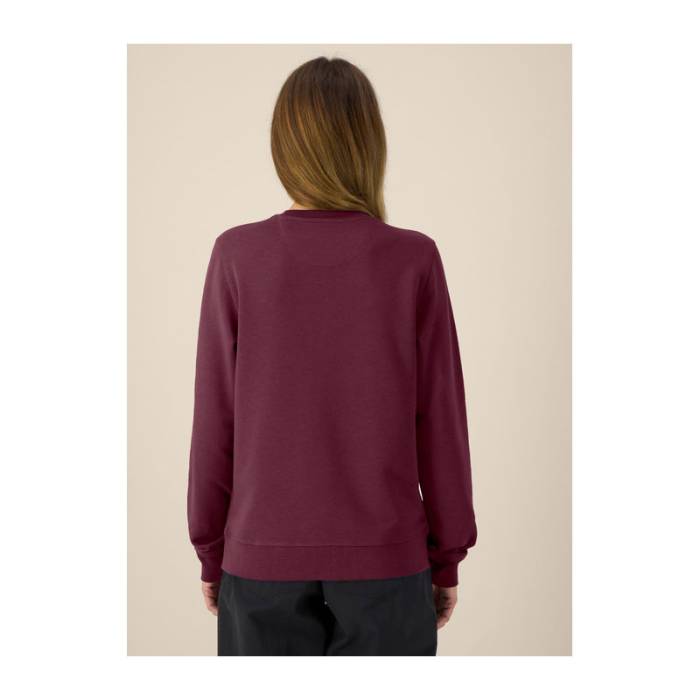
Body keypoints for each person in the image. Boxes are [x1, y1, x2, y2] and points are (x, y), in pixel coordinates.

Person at [187, 56, 477, 656]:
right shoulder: (412, 259)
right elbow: (441, 424)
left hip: (260, 564)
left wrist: (213, 550)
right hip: (388, 566)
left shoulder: (238, 256)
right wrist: (446, 556)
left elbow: (215, 419)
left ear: (284, 145)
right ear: (369, 144)